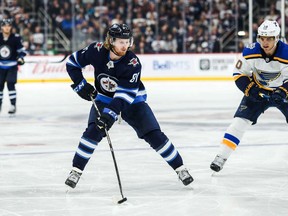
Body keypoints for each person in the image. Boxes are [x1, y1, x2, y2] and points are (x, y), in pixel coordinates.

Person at [65, 23, 193, 188]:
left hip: (133, 101)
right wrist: (80, 85)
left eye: (127, 41)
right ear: (111, 41)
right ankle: (76, 171)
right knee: (92, 132)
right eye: (120, 42)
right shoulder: (95, 51)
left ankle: (180, 168)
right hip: (104, 98)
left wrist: (109, 115)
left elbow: (124, 97)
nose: (125, 45)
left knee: (153, 134)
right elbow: (72, 63)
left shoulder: (132, 63)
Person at [210, 19, 288, 172]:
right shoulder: (250, 51)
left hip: (283, 91)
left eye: (269, 38)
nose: (265, 42)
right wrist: (252, 90)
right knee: (239, 122)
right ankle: (221, 157)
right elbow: (238, 74)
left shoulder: (287, 53)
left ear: (276, 38)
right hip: (258, 90)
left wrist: (283, 91)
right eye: (262, 38)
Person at [0, 18, 26, 114]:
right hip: (0, 67)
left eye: (8, 26)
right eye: (4, 26)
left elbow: (22, 51)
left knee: (11, 84)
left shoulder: (16, 38)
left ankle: (12, 105)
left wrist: (20, 57)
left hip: (12, 66)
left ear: (11, 27)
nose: (7, 28)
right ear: (2, 27)